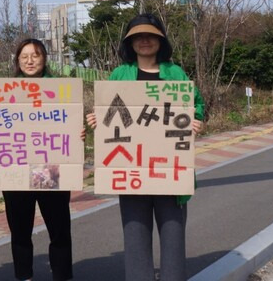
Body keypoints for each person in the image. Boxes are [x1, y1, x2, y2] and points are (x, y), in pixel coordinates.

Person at [86, 14, 205, 281]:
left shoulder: (175, 73)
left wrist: (196, 121)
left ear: (161, 40)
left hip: (170, 172)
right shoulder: (120, 74)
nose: (144, 41)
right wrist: (98, 119)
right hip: (131, 173)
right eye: (137, 37)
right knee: (135, 238)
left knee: (173, 237)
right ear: (129, 42)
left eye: (150, 36)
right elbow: (111, 113)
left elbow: (196, 105)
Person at [0, 38, 82, 281]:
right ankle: (24, 276)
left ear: (45, 58)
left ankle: (62, 275)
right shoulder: (3, 92)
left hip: (53, 169)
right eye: (24, 56)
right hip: (15, 171)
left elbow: (69, 124)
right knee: (20, 231)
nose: (29, 60)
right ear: (17, 60)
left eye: (35, 55)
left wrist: (78, 132)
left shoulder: (62, 90)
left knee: (59, 229)